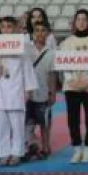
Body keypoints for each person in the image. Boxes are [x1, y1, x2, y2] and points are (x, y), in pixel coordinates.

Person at [0, 17, 37, 167]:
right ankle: (3, 153)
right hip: (0, 88)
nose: (6, 29)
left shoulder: (22, 45)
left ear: (15, 28)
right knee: (0, 123)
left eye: (9, 26)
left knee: (17, 124)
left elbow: (27, 67)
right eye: (3, 27)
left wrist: (28, 89)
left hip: (16, 89)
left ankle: (16, 153)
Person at [59, 9, 88, 164]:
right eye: (79, 19)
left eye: (84, 19)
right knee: (73, 119)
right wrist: (72, 80)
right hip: (71, 86)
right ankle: (77, 148)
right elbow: (63, 64)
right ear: (74, 22)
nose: (82, 22)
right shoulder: (67, 42)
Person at [25, 22, 56, 159]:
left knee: (45, 122)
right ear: (32, 34)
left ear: (48, 33)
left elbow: (52, 74)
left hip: (44, 92)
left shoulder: (51, 52)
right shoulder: (25, 49)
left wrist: (52, 92)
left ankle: (45, 146)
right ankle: (30, 146)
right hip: (27, 93)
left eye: (43, 30)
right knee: (27, 122)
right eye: (36, 30)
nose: (39, 33)